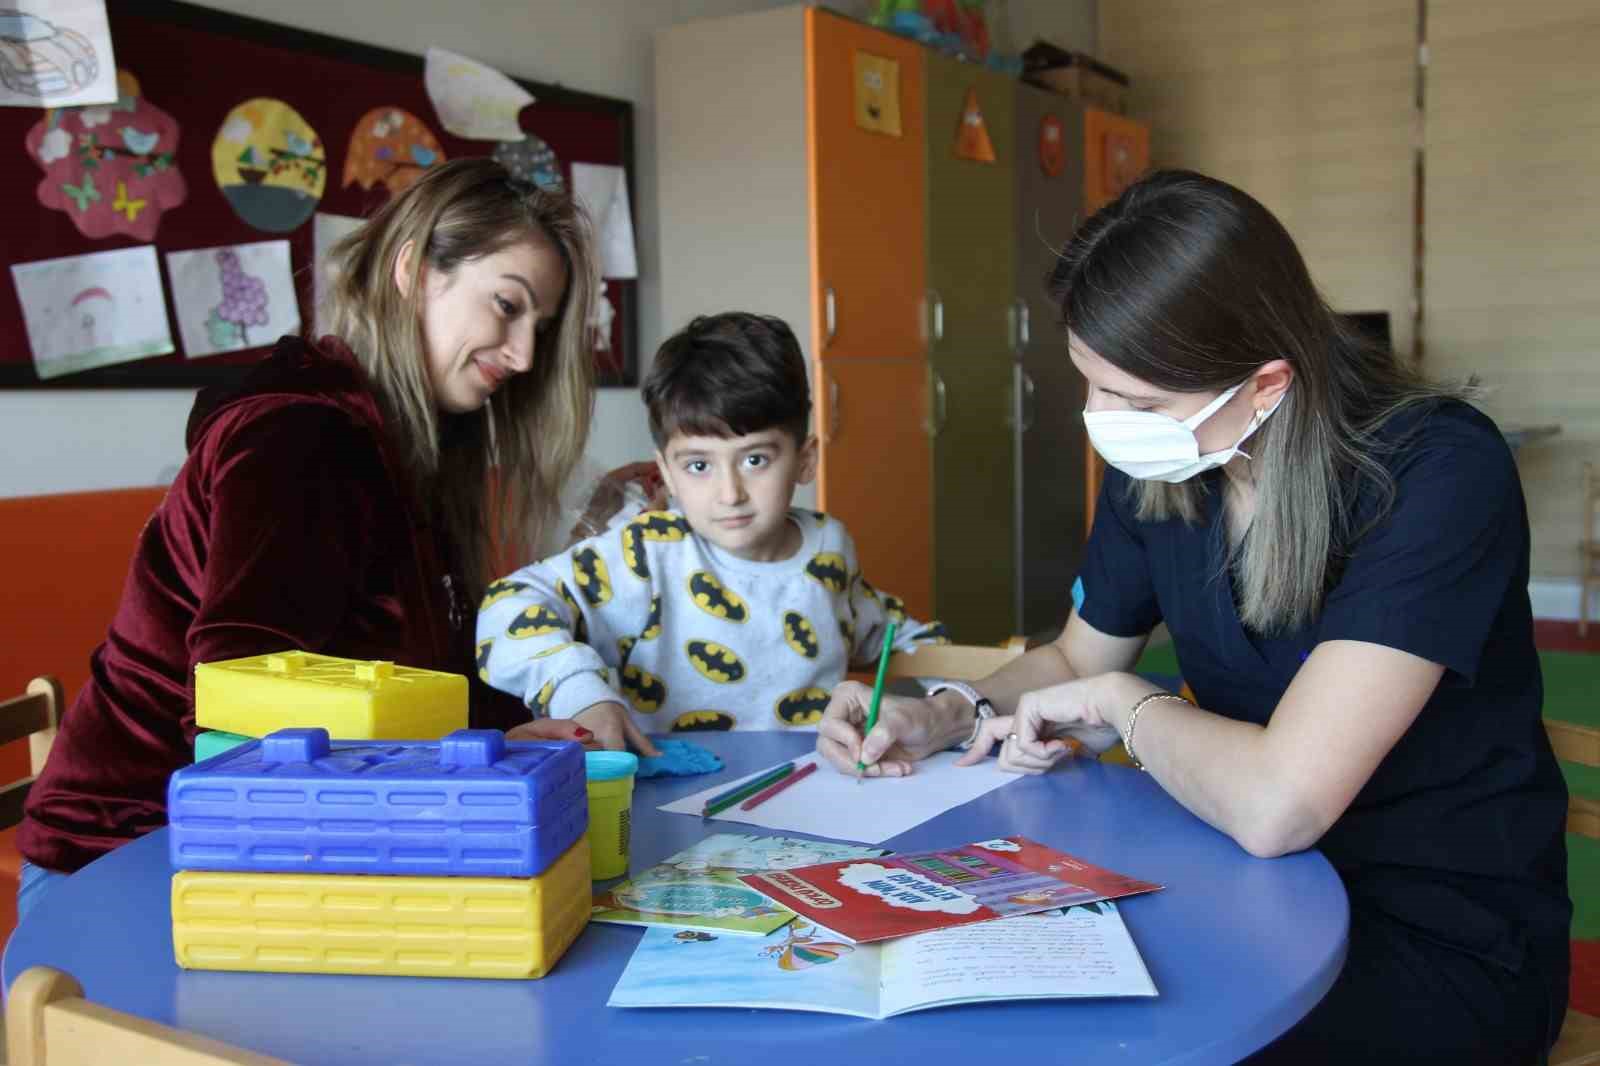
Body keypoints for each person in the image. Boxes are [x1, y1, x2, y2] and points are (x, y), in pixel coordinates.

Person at [815, 170, 1570, 1063]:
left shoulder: (1435, 474)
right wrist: (942, 710)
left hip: (1430, 935)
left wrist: (1126, 705)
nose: (1101, 423)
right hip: (1236, 886)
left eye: (1135, 405)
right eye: (1089, 384)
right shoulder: (1168, 468)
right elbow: (1070, 659)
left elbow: (1277, 805)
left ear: (1266, 386)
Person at [18, 158, 602, 916]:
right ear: (412, 271)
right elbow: (244, 718)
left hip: (225, 838)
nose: (524, 356)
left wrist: (509, 727)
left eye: (541, 327)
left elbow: (391, 675)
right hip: (133, 854)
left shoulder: (396, 443)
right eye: (507, 306)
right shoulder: (306, 437)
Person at [478, 311, 947, 751]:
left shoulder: (830, 547)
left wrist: (954, 699)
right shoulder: (646, 553)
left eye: (755, 459)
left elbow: (891, 637)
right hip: (672, 810)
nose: (730, 493)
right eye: (699, 465)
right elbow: (508, 605)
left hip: (814, 800)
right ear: (667, 472)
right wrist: (581, 693)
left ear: (805, 460)